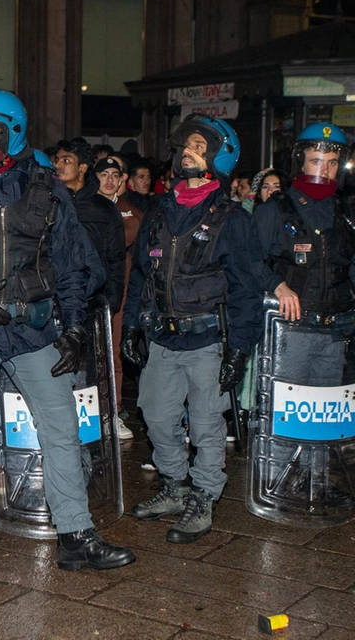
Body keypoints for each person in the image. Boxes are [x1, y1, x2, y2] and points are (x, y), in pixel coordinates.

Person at [0, 89, 134, 571]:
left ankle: (75, 534)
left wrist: (74, 329)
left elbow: (73, 265)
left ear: (12, 134)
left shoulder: (47, 188)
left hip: (33, 331)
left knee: (62, 430)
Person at [122, 114, 263, 544]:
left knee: (205, 426)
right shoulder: (160, 212)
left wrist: (238, 350)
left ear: (218, 159)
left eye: (200, 147)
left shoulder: (233, 219)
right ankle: (176, 486)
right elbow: (143, 277)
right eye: (187, 145)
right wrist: (131, 327)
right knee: (158, 419)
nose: (189, 152)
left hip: (208, 343)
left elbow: (247, 289)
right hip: (163, 338)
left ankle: (204, 494)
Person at [253, 123, 354, 321]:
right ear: (301, 163)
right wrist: (277, 285)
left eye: (332, 163)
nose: (324, 170)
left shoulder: (345, 211)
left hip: (339, 325)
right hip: (291, 322)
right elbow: (248, 261)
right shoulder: (275, 210)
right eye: (316, 161)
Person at [95, 155, 143, 439]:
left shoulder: (132, 214)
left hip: (121, 292)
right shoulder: (83, 208)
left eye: (116, 175)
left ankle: (112, 413)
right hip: (90, 291)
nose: (110, 180)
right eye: (104, 175)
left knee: (114, 352)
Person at [51, 138, 126, 311]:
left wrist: (111, 304)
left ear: (82, 168)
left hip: (92, 300)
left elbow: (116, 261)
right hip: (55, 300)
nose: (58, 165)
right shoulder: (48, 202)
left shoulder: (105, 208)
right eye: (57, 160)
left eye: (66, 160)